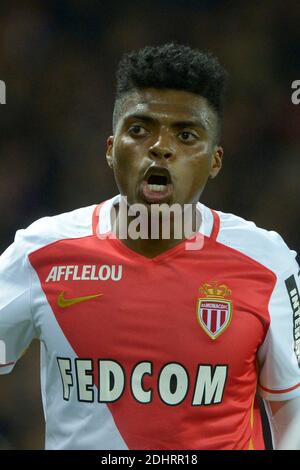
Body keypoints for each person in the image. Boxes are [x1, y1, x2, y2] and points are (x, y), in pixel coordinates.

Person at [0, 43, 300, 450]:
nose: (160, 146)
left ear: (215, 161)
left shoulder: (268, 263)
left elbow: (292, 408)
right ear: (110, 149)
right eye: (139, 130)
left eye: (186, 134)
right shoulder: (40, 252)